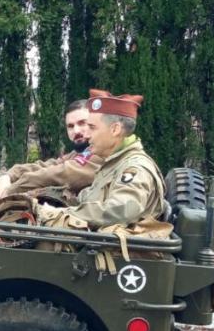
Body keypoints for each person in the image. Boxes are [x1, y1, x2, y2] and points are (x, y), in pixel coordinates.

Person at [35, 93, 166, 229]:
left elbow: (122, 210)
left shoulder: (135, 168)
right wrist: (43, 199)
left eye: (92, 127)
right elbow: (85, 201)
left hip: (114, 249)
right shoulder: (112, 164)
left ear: (115, 129)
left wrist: (60, 213)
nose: (86, 134)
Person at [0, 89, 111, 202]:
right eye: (70, 126)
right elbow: (49, 165)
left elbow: (62, 174)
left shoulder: (101, 152)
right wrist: (9, 175)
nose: (76, 131)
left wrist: (12, 189)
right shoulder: (77, 154)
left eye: (82, 123)